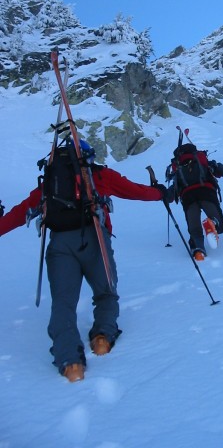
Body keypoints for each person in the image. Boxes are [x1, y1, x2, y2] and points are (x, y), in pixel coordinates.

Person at [0, 140, 167, 383]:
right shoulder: (99, 176)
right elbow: (136, 191)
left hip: (59, 245)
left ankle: (70, 362)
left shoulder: (51, 185)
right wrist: (162, 193)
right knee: (106, 292)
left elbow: (20, 213)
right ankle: (102, 337)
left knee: (63, 303)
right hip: (95, 238)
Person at [167, 143, 223, 260]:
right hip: (206, 191)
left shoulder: (178, 169)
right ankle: (213, 223)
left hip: (188, 197)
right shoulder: (203, 161)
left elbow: (172, 190)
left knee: (194, 228)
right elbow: (221, 169)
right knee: (220, 225)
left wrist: (165, 196)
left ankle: (198, 250)